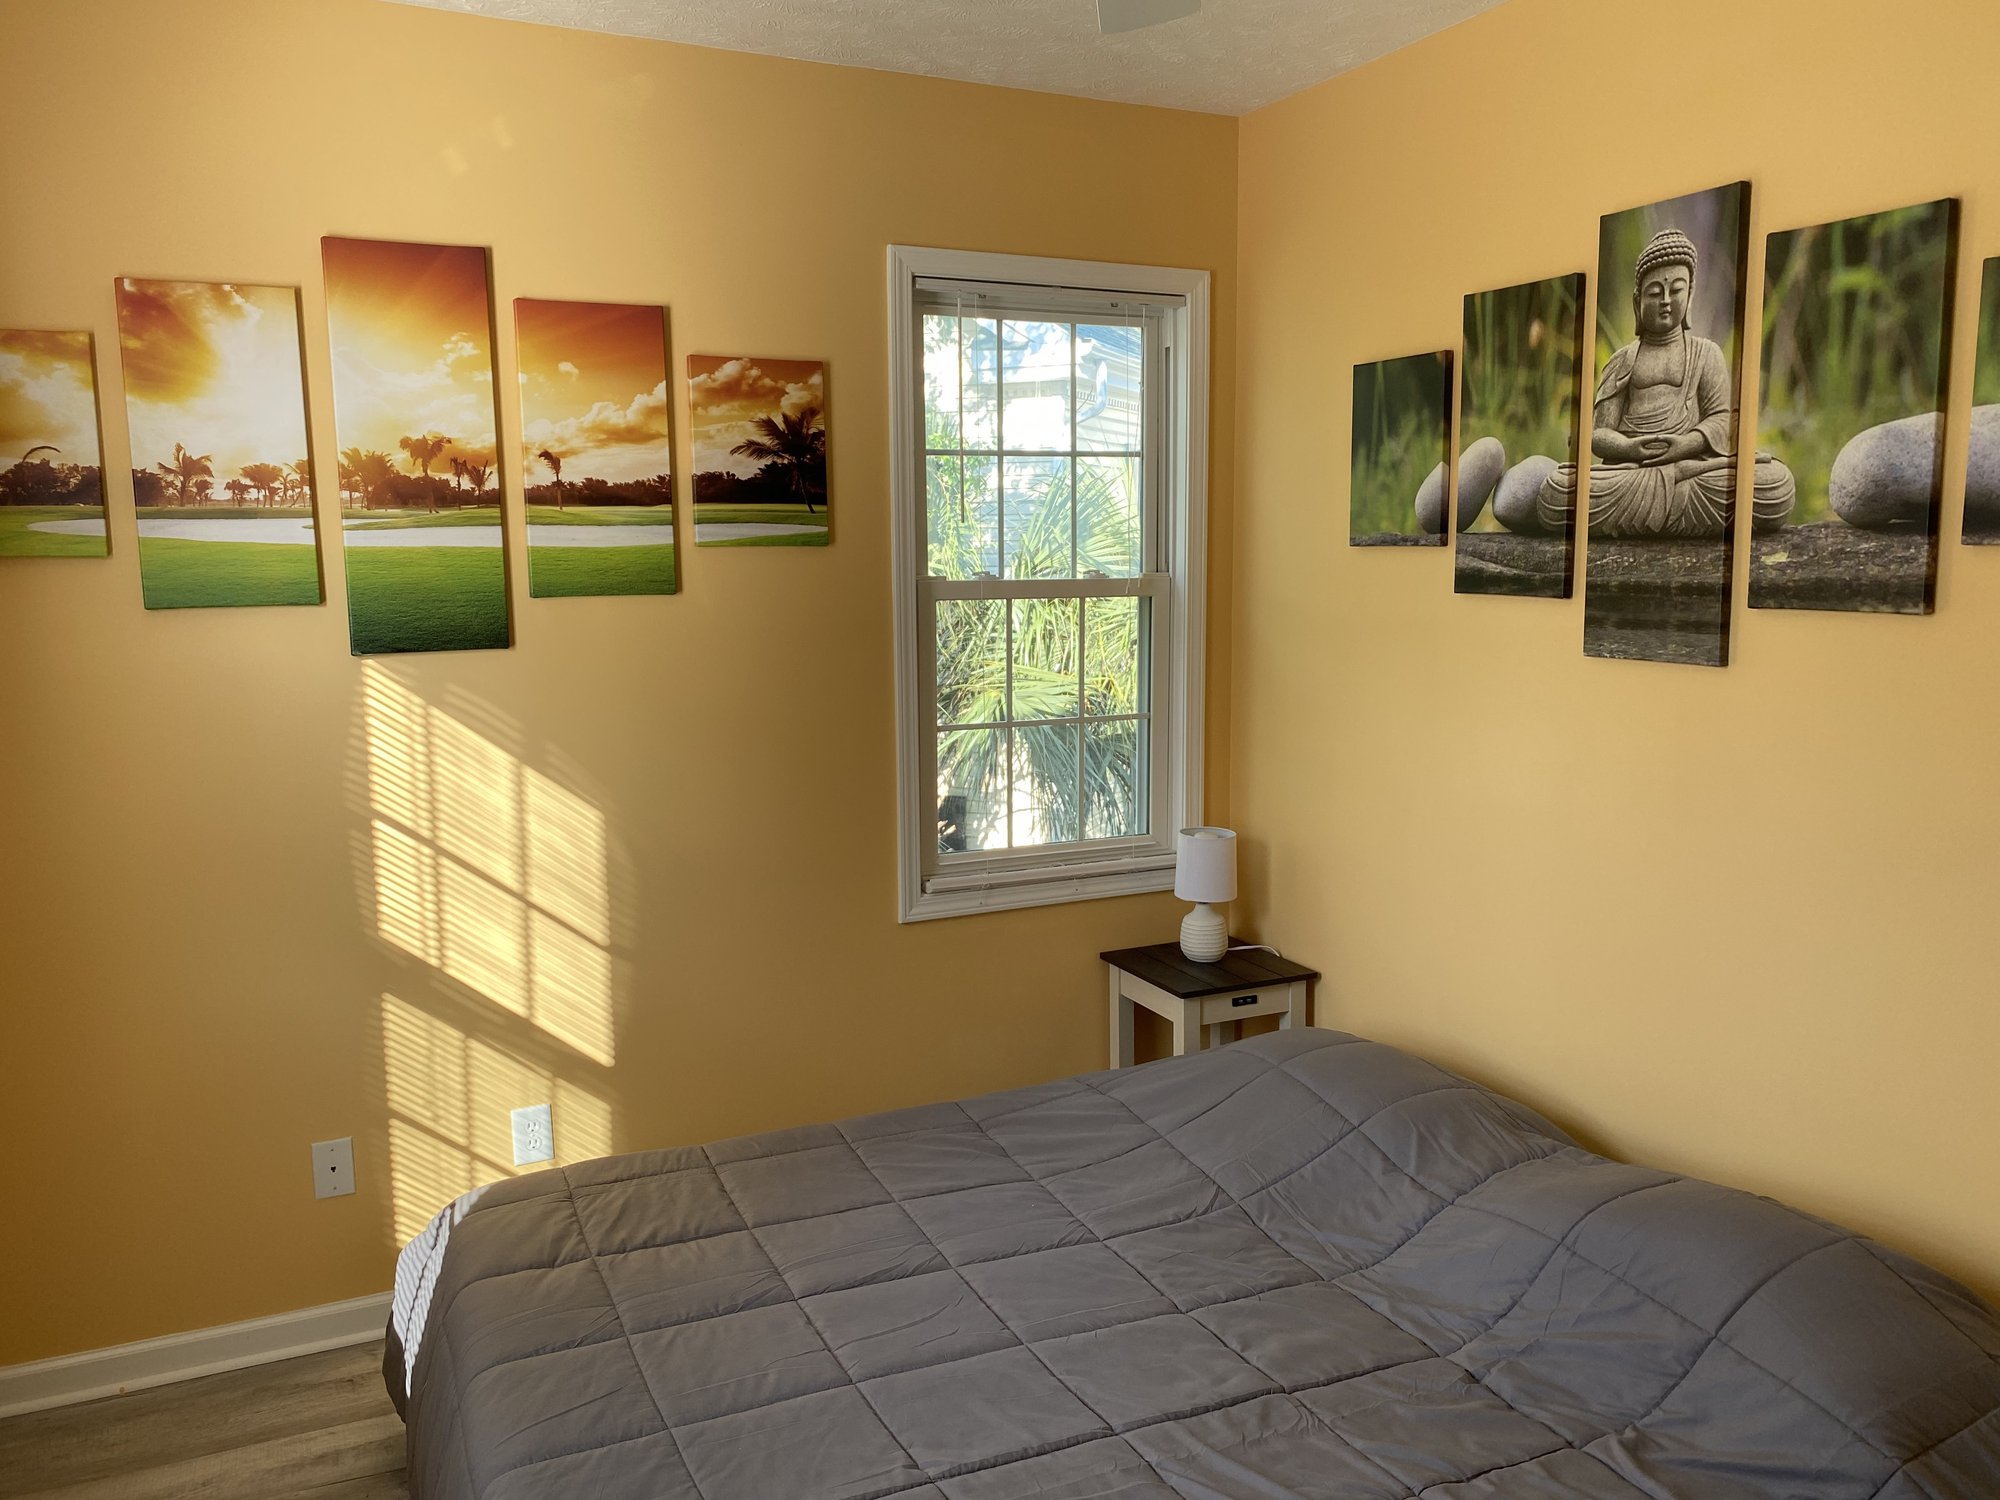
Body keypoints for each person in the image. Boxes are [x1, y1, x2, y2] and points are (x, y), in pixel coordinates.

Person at [1535, 228, 1793, 536]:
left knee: (1774, 483)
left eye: (1676, 290)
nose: (1666, 301)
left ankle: (1661, 504)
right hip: (1632, 473)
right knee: (1557, 491)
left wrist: (1686, 444)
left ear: (1690, 296)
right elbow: (1599, 434)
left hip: (1694, 470)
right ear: (1637, 302)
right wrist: (1630, 448)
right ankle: (1676, 509)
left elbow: (1721, 420)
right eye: (1655, 293)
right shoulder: (1622, 360)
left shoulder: (1706, 354)